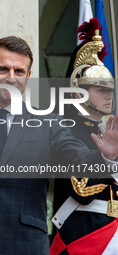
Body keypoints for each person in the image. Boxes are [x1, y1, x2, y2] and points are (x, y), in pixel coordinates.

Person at [0, 36, 118, 255]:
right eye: (3, 69)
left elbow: (79, 160)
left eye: (19, 71)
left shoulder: (50, 123)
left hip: (26, 246)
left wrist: (106, 158)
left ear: (28, 76)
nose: (11, 78)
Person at [50, 24, 118, 254]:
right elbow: (82, 189)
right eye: (100, 90)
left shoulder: (108, 132)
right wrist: (108, 158)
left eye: (110, 89)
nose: (109, 95)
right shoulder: (64, 130)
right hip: (81, 238)